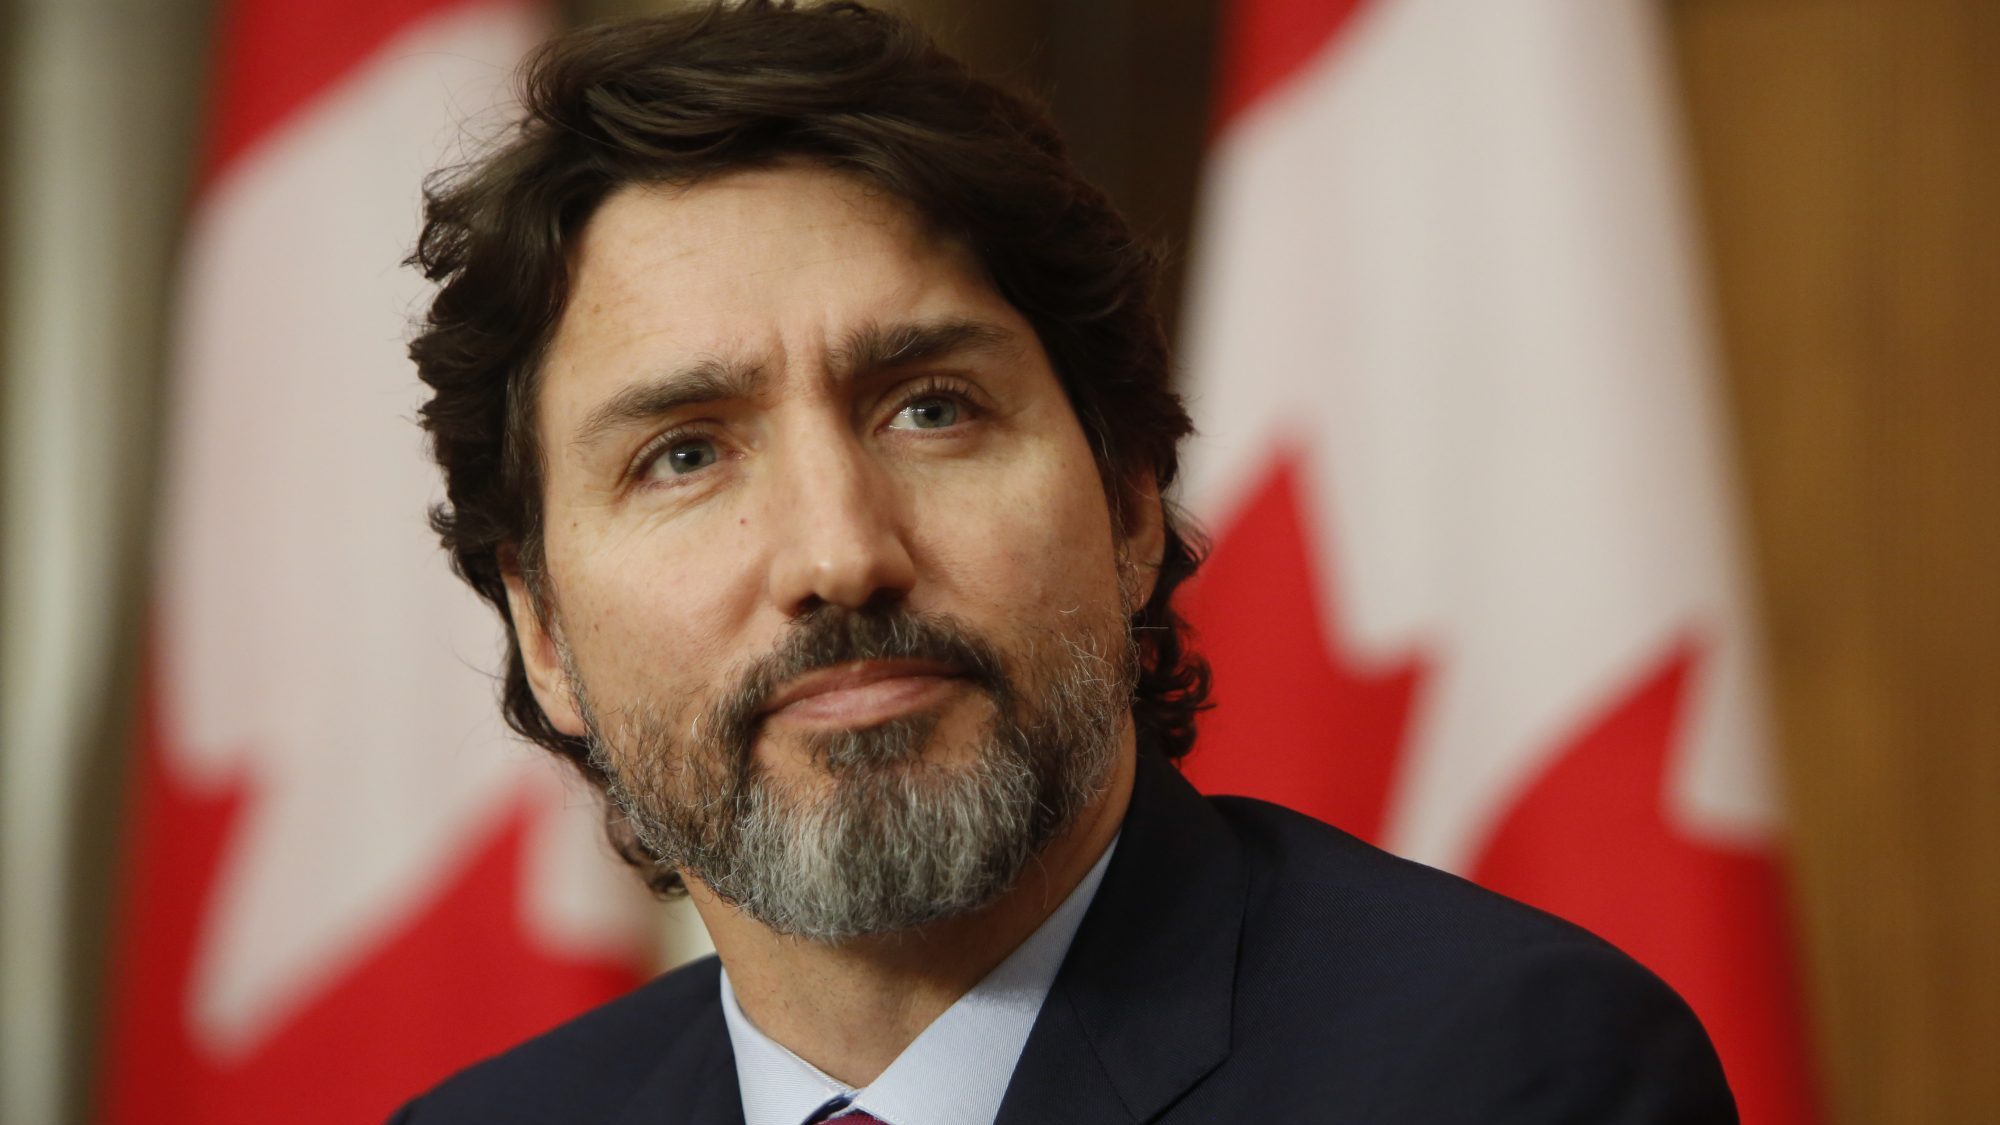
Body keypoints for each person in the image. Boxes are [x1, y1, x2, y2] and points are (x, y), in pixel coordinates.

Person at [392, 2, 1738, 1122]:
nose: (841, 552)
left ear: (1132, 501)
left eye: (932, 408)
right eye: (684, 454)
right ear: (547, 634)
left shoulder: (1505, 1077)